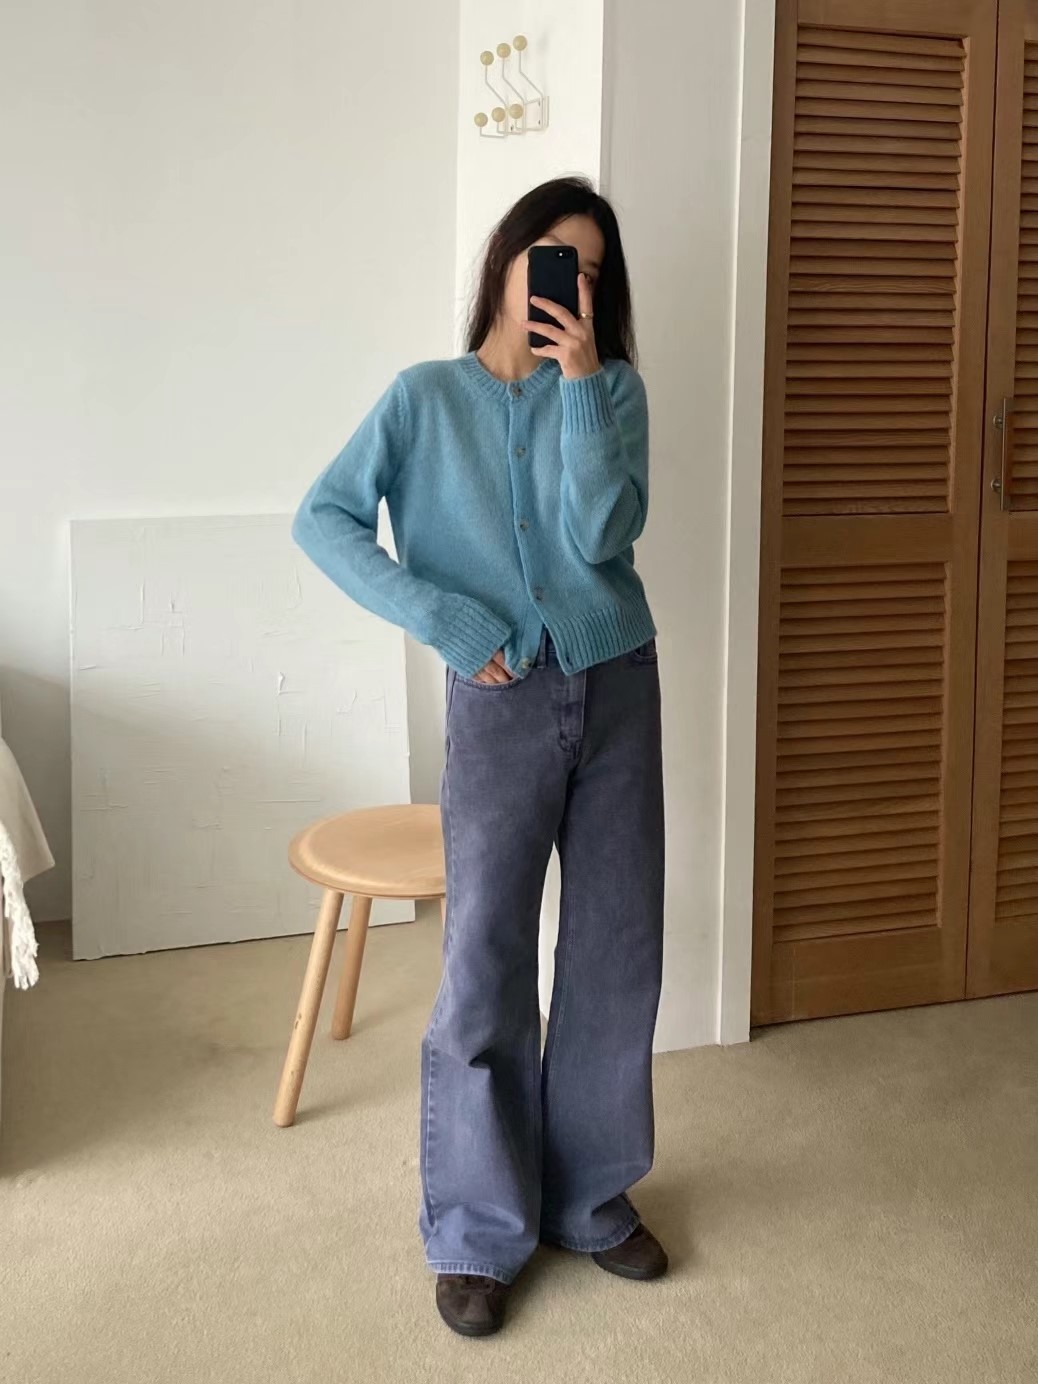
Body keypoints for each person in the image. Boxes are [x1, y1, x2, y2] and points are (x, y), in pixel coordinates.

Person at [292, 176, 666, 1338]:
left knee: (615, 946)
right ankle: (476, 1227)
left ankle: (589, 1198)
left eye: (591, 273)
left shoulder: (613, 392)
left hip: (617, 686)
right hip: (499, 703)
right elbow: (322, 517)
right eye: (554, 256)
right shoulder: (423, 398)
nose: (569, 284)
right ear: (507, 258)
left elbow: (603, 535)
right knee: (486, 957)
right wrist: (443, 618)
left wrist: (584, 383)